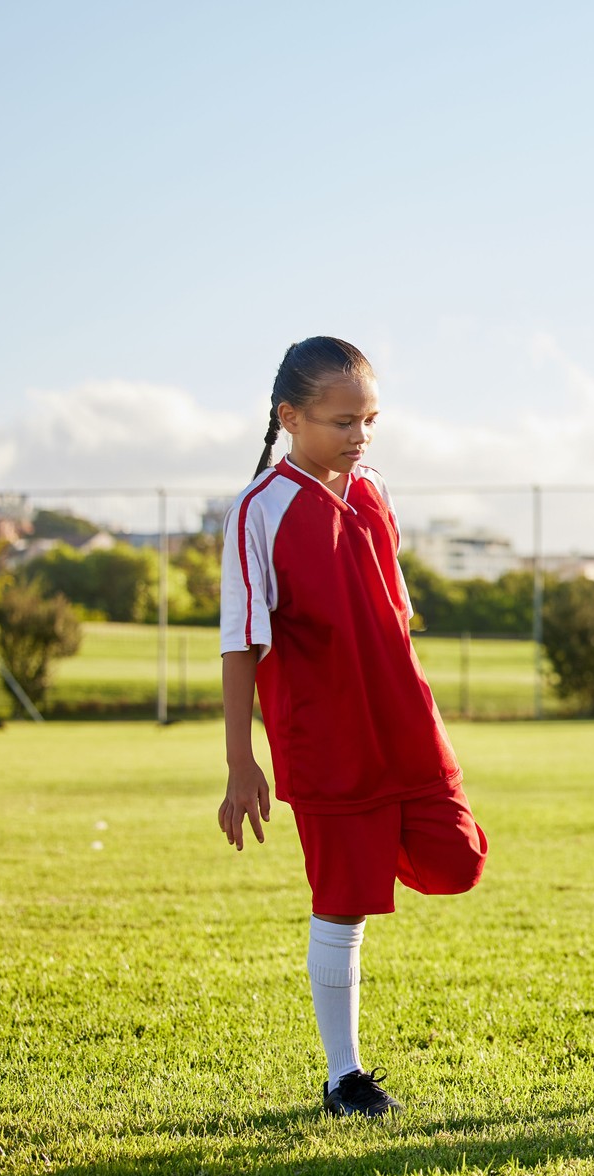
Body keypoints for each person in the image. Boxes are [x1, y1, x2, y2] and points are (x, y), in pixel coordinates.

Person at [218, 337, 488, 1118]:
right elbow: (242, 643)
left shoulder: (372, 489)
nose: (359, 435)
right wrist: (243, 763)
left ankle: (373, 845)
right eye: (342, 421)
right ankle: (346, 1076)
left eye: (369, 418)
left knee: (458, 860)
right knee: (344, 898)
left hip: (405, 719)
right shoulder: (257, 510)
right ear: (290, 416)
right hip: (326, 735)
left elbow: (396, 609)